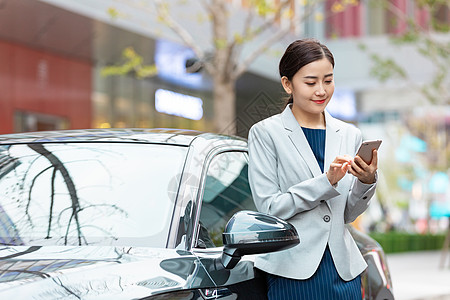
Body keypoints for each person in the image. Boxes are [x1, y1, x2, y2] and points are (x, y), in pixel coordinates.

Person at [247, 39, 378, 299]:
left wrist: (366, 181)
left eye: (328, 81)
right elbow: (270, 208)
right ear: (288, 84)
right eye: (310, 82)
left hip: (344, 273)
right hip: (292, 272)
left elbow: (347, 214)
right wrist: (326, 182)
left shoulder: (350, 133)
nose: (321, 90)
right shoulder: (265, 133)